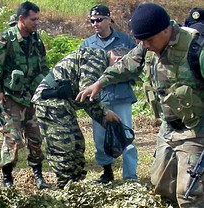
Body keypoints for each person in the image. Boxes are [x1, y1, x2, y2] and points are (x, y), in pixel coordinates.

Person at [76, 2, 204, 207]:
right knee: (161, 185)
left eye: (149, 40)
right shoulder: (147, 45)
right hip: (169, 128)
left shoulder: (196, 48)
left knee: (190, 194)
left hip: (196, 130)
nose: (145, 45)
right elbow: (126, 64)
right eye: (141, 41)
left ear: (165, 30)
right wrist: (99, 83)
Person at [31, 47, 126, 189]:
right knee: (64, 147)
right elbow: (86, 92)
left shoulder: (99, 59)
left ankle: (76, 185)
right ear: (118, 60)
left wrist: (104, 118)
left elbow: (86, 98)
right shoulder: (97, 59)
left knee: (77, 145)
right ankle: (65, 189)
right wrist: (105, 113)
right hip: (50, 103)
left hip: (63, 105)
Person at [0, 1, 49, 189]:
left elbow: (43, 66)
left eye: (38, 19)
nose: (37, 23)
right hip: (11, 97)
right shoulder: (6, 38)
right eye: (33, 19)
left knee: (35, 137)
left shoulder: (36, 40)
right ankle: (7, 177)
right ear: (21, 19)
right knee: (13, 138)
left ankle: (38, 174)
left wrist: (44, 88)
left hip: (31, 97)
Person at [80, 5, 138, 183]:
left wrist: (118, 74)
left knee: (126, 135)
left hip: (120, 96)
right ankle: (107, 172)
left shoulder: (125, 40)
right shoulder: (87, 44)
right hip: (99, 98)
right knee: (100, 138)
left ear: (109, 19)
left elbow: (136, 65)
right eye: (92, 21)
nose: (95, 24)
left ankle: (130, 176)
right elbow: (83, 70)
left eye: (99, 20)